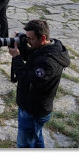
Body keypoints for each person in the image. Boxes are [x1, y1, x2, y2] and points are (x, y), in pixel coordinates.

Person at [9, 20, 70, 148]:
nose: (29, 42)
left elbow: (26, 80)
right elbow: (32, 56)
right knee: (36, 139)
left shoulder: (48, 62)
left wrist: (16, 58)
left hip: (33, 111)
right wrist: (21, 45)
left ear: (42, 38)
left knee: (24, 146)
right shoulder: (48, 47)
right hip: (36, 109)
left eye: (30, 39)